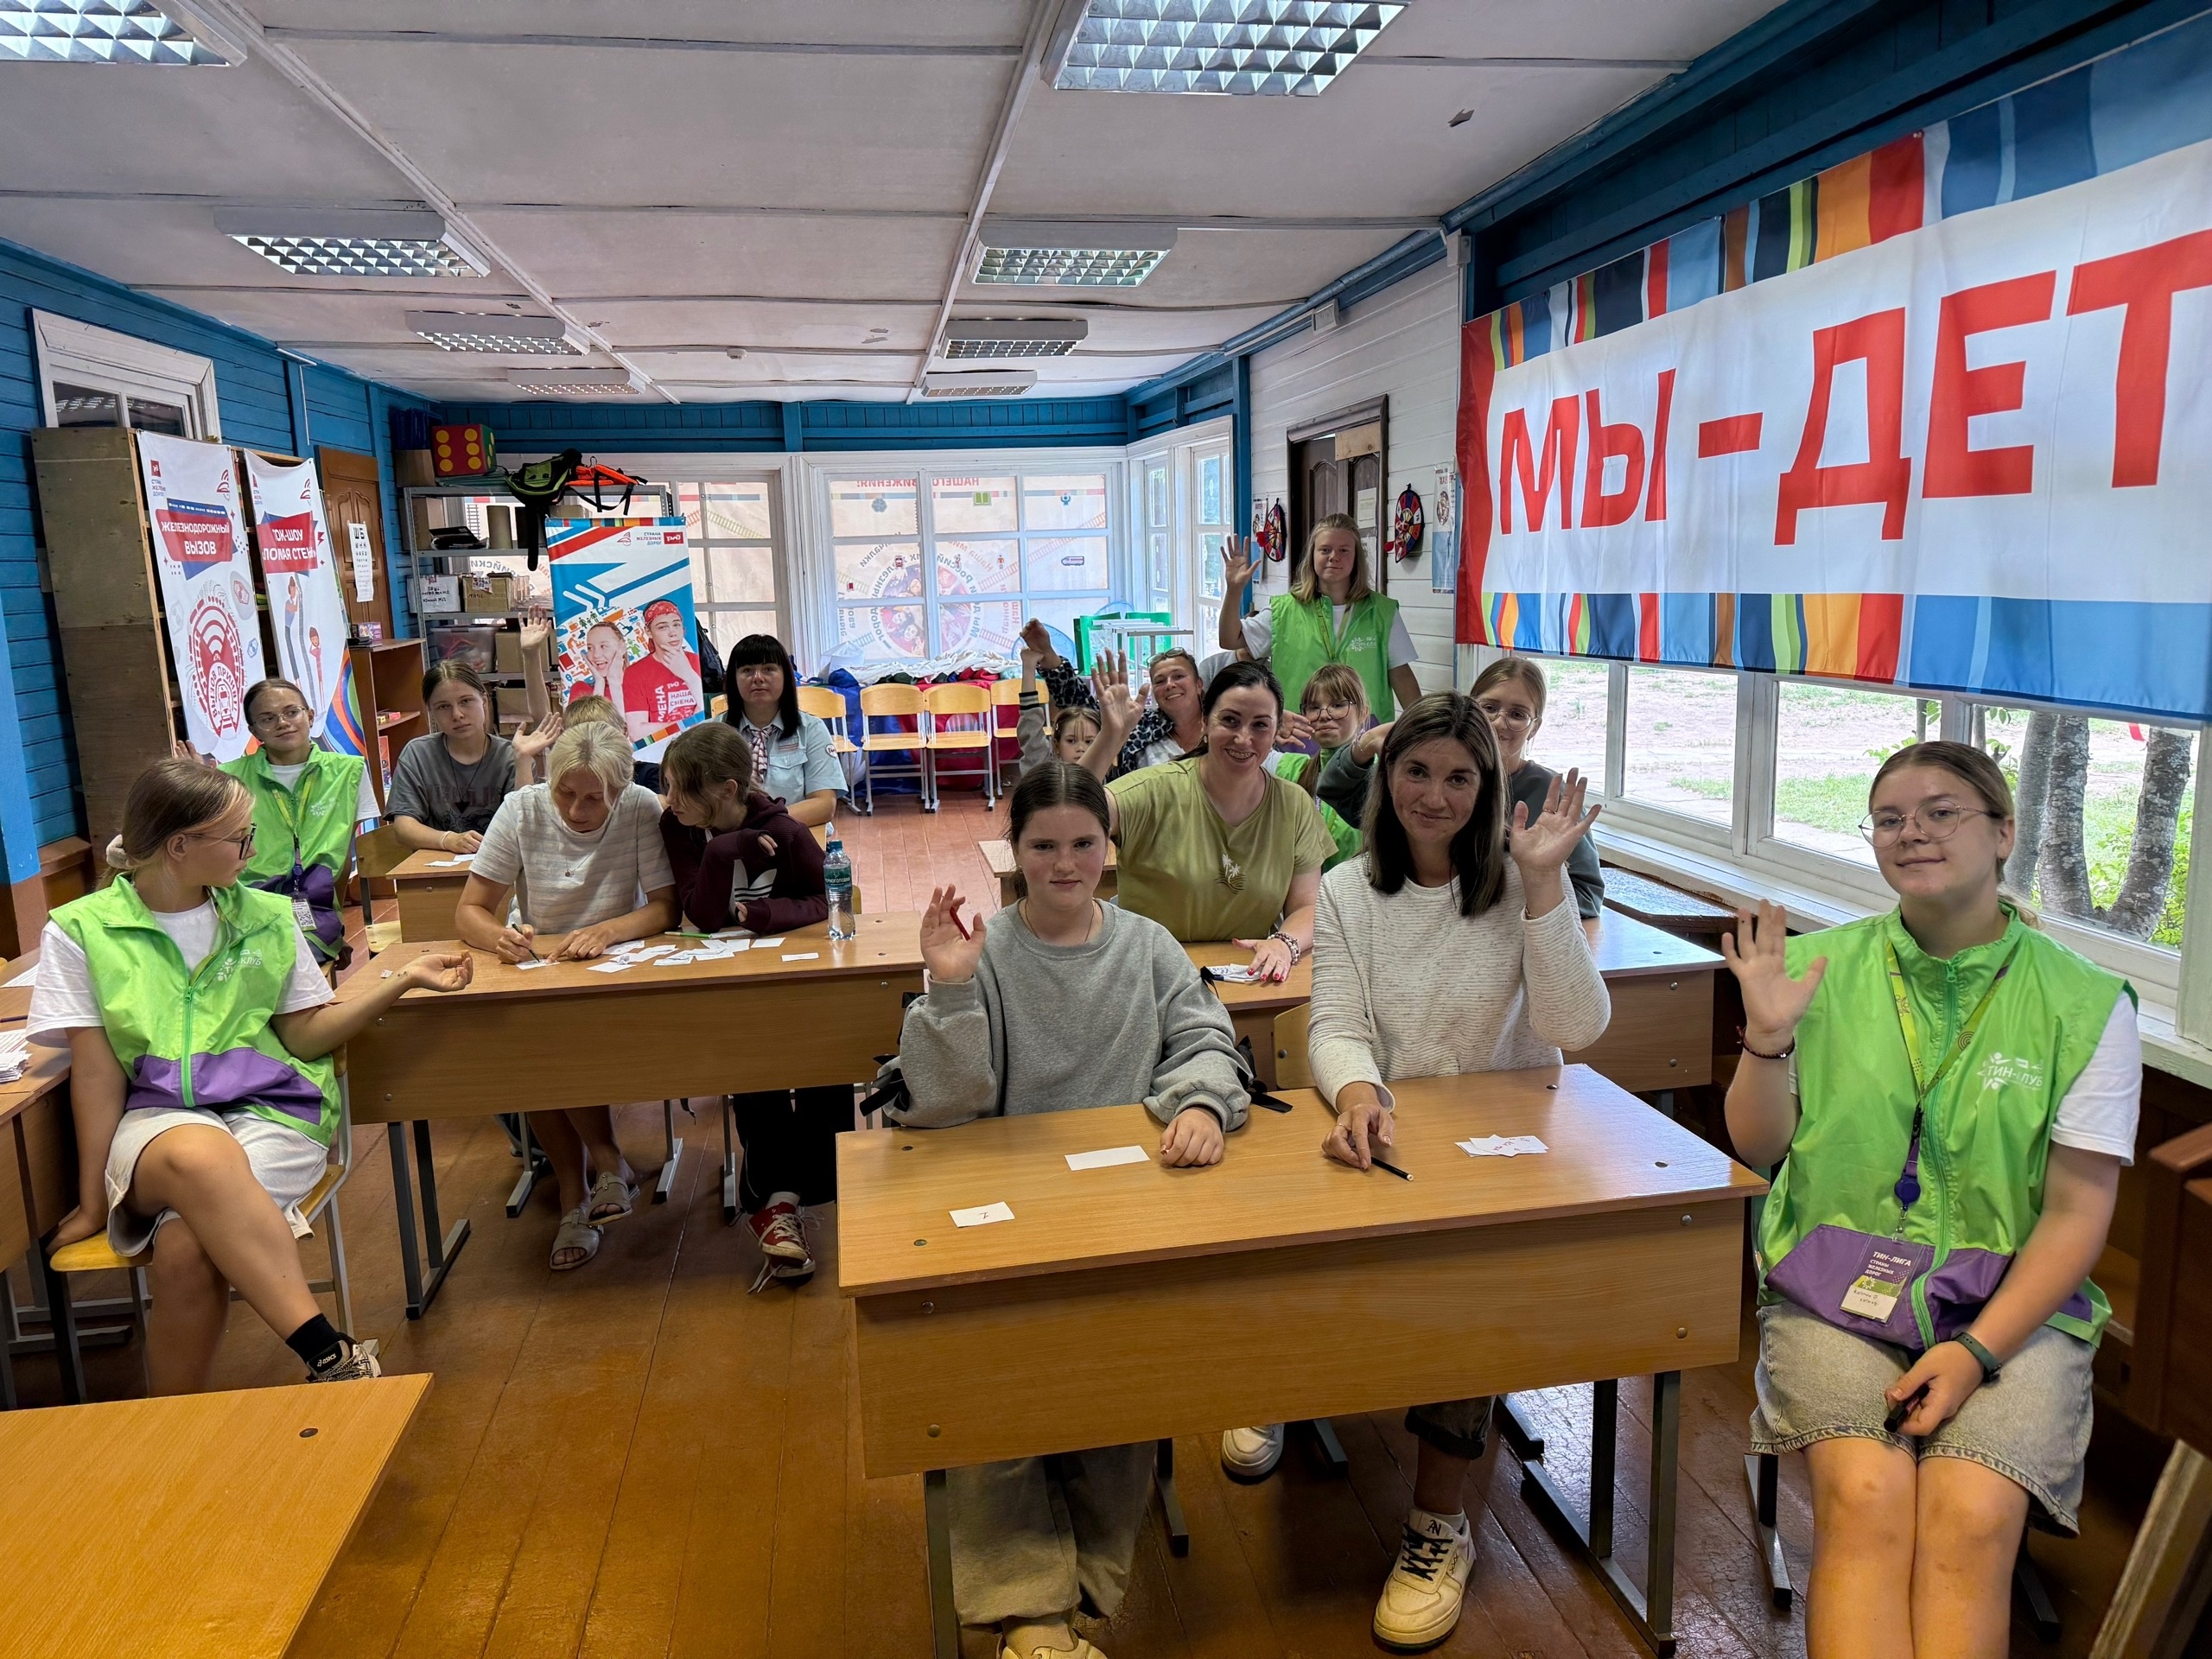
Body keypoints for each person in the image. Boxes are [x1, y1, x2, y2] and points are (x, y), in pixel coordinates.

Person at [1725, 741, 2137, 1659]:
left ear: (2004, 833)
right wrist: (1765, 1039)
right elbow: (1758, 1149)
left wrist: (1975, 1352)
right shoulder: (1815, 969)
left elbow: (2078, 1214)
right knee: (1865, 1498)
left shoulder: (2084, 1004)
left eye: (1941, 811)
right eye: (1889, 819)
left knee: (1972, 1516)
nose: (1911, 832)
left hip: (2016, 1303)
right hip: (1837, 1287)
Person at [1263, 694, 1610, 1644]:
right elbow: (1336, 1024)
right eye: (1417, 771)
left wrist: (1544, 886)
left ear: (1488, 786)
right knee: (1296, 1254)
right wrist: (1359, 1094)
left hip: (1499, 1155)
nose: (1435, 795)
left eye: (1461, 777)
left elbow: (1576, 1028)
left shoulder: (1521, 880)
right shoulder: (1347, 890)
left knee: (1468, 1290)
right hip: (1389, 1136)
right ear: (1387, 778)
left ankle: (1436, 1523)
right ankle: (1273, 1386)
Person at [889, 762, 1249, 1659]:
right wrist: (949, 988)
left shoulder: (1148, 945)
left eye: (1083, 843)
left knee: (1116, 1379)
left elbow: (1209, 1039)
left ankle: (1070, 1596)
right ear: (1013, 851)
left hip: (1126, 1209)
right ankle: (1031, 1615)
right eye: (1043, 845)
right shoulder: (986, 952)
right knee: (990, 1379)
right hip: (1009, 1208)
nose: (1064, 864)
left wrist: (1203, 1104)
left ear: (1107, 846)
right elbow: (940, 1105)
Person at [30, 758, 473, 1394]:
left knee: (186, 1249)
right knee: (197, 1154)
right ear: (180, 847)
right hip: (159, 1119)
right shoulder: (81, 930)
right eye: (240, 838)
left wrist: (400, 981)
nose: (252, 850)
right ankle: (329, 1352)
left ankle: (171, 1427)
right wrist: (94, 1201)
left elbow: (303, 1035)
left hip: (273, 1110)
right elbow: (97, 1075)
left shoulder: (267, 914)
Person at [457, 722, 677, 1271]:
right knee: (533, 1040)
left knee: (551, 1040)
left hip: (617, 964)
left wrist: (608, 931)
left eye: (593, 798)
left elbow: (664, 906)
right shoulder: (521, 808)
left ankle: (583, 1188)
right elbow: (470, 911)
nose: (577, 810)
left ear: (620, 790)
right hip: (543, 960)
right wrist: (500, 938)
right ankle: (596, 1173)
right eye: (565, 793)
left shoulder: (639, 807)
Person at [659, 722, 840, 1279]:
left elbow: (825, 898)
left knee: (827, 1066)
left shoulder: (784, 831)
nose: (670, 800)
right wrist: (724, 851)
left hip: (794, 981)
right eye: (666, 787)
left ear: (727, 789)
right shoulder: (679, 827)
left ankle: (796, 1199)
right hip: (727, 987)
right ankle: (778, 1202)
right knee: (754, 1072)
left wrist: (765, 914)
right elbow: (702, 915)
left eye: (681, 789)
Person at [1079, 655, 1332, 983]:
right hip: (1149, 979)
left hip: (1247, 980)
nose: (1244, 738)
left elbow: (1306, 906)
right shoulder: (1152, 791)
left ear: (1275, 733)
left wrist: (1284, 944)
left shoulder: (1294, 805)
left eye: (1260, 725)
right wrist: (1110, 737)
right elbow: (1067, 816)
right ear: (1205, 722)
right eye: (1230, 721)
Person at [1323, 654, 1605, 943]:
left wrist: (1513, 900)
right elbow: (1337, 790)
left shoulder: (1552, 796)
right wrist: (1367, 742)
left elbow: (1586, 893)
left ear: (1535, 726)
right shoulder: (1420, 783)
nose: (1499, 722)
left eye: (1518, 714)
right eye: (1489, 708)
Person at [213, 677, 378, 967]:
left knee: (283, 961)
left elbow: (343, 860)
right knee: (243, 962)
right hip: (246, 907)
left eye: (292, 712)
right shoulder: (229, 777)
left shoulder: (349, 772)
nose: (283, 723)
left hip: (315, 909)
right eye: (267, 718)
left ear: (310, 716)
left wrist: (337, 921)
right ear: (254, 730)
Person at [1217, 513, 1421, 717]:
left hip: (1366, 734)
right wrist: (1234, 589)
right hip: (1299, 733)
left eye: (1344, 550)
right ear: (1312, 555)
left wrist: (1423, 727)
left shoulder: (1382, 611)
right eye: (1325, 550)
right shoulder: (1284, 610)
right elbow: (1229, 639)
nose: (1334, 556)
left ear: (1356, 557)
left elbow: (1402, 676)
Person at [387, 658, 561, 853]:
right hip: (435, 864)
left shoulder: (512, 756)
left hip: (502, 862)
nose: (457, 714)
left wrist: (523, 761)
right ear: (431, 711)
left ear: (484, 701)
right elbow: (403, 827)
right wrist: (447, 839)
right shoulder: (418, 754)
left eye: (465, 701)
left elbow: (525, 826)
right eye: (443, 707)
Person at [1024, 618, 1205, 776]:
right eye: (1160, 681)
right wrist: (1048, 654)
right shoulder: (1140, 725)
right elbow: (1080, 706)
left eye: (1178, 676)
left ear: (1199, 684)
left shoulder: (1218, 725)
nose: (1170, 685)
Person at [721, 632, 847, 829]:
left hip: (795, 835)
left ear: (786, 677)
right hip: (732, 839)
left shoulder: (811, 729)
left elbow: (824, 804)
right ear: (733, 679)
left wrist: (763, 823)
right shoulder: (713, 733)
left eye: (769, 669)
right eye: (747, 670)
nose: (758, 678)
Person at [1270, 660, 1366, 869]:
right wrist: (1268, 723)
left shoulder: (1382, 776)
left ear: (1363, 713)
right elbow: (1221, 756)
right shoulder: (1290, 769)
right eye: (1314, 707)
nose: (1323, 715)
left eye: (1338, 705)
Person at [1013, 639, 1102, 777]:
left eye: (1089, 742)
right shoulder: (1047, 776)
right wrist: (1029, 667)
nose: (1081, 748)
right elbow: (1031, 727)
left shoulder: (1109, 776)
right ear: (1057, 746)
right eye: (1071, 740)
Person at [622, 598, 705, 741]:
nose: (672, 633)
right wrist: (689, 724)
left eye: (676, 625)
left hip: (702, 745)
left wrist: (689, 675)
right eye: (662, 627)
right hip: (661, 750)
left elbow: (712, 714)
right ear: (649, 632)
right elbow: (637, 733)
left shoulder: (699, 661)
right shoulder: (635, 673)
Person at [565, 693, 664, 794]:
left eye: (604, 736)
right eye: (582, 740)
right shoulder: (569, 780)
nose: (594, 747)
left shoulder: (652, 774)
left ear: (624, 731)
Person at [569, 620, 630, 720]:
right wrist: (599, 684)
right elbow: (591, 728)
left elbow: (628, 728)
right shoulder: (580, 690)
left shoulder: (640, 688)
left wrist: (614, 683)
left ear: (622, 647)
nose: (596, 655)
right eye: (590, 648)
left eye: (603, 646)